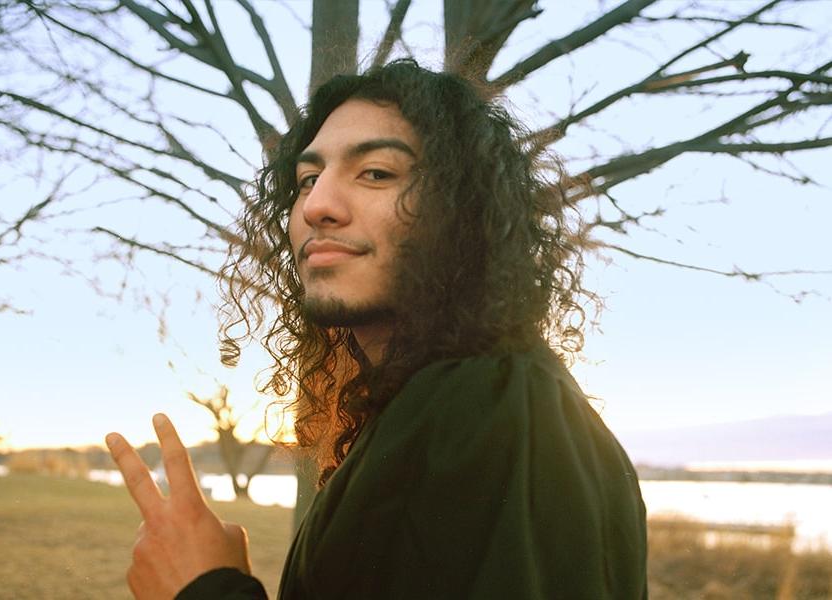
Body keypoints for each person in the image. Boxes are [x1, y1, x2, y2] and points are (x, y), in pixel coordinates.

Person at [106, 60, 648, 599]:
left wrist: (203, 588)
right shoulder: (434, 404)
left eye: (377, 173)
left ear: (462, 210)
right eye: (307, 179)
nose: (317, 205)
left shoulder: (488, 405)